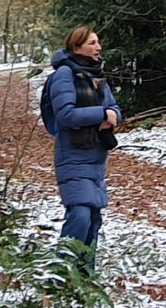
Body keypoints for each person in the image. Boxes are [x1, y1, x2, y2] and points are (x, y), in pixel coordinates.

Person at [43, 27, 121, 272]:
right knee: (80, 214)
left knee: (94, 218)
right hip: (73, 155)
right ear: (77, 47)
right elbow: (65, 115)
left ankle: (86, 274)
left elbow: (115, 109)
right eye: (92, 43)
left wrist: (112, 115)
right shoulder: (64, 75)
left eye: (98, 42)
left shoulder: (96, 75)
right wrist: (101, 114)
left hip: (96, 155)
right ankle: (63, 272)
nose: (98, 47)